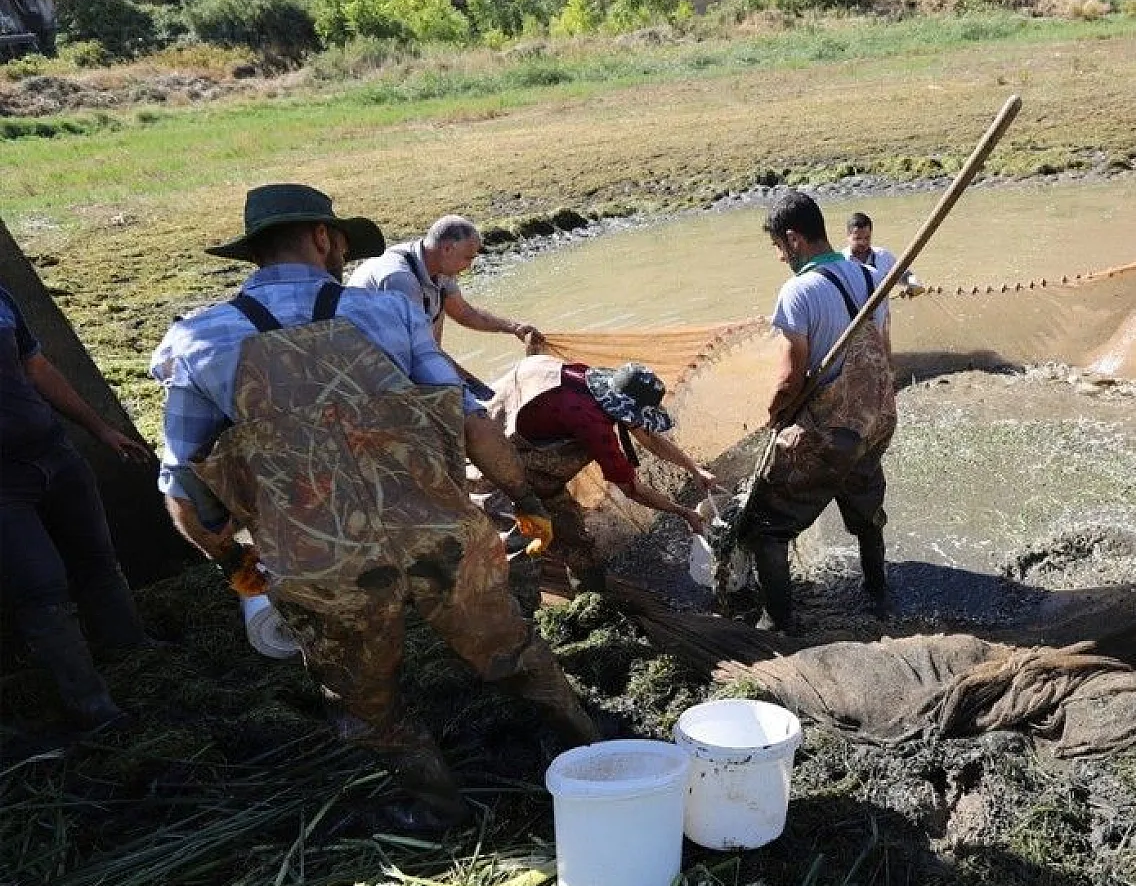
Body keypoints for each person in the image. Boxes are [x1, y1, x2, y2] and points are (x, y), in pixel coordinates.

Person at [150, 183, 597, 834]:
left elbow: (184, 489)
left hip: (321, 561)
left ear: (256, 253)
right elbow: (473, 428)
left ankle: (441, 807)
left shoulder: (196, 340)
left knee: (367, 703)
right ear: (326, 239)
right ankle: (589, 747)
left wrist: (233, 563)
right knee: (513, 649)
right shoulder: (388, 314)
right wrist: (527, 501)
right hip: (440, 533)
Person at [740, 192, 896, 634]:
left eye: (778, 247)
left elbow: (791, 378)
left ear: (793, 239)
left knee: (764, 527)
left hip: (835, 431)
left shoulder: (798, 290)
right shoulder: (870, 277)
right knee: (864, 506)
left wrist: (773, 417)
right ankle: (878, 592)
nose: (779, 257)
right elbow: (882, 348)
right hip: (878, 420)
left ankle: (778, 622)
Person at [1, 281, 154, 729]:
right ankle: (90, 704)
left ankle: (135, 652)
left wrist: (99, 428)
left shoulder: (2, 297)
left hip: (53, 452)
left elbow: (36, 367)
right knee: (42, 588)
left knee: (98, 560)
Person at [481, 355, 715, 594]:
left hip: (494, 418)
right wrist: (684, 513)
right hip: (495, 464)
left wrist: (694, 469)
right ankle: (547, 605)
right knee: (527, 545)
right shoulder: (593, 424)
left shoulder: (588, 379)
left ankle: (584, 586)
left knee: (564, 534)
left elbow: (648, 437)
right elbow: (631, 489)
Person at [347, 215, 542, 398]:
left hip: (409, 351)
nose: (470, 265)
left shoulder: (439, 268)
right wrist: (473, 388)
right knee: (474, 405)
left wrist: (514, 327)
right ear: (447, 249)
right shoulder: (400, 279)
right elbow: (417, 352)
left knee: (476, 398)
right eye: (468, 258)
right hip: (370, 367)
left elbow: (464, 313)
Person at [844, 213, 926, 296]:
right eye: (858, 238)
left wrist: (914, 283)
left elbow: (905, 275)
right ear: (848, 235)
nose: (863, 242)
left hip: (881, 309)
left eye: (867, 238)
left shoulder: (883, 256)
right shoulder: (841, 262)